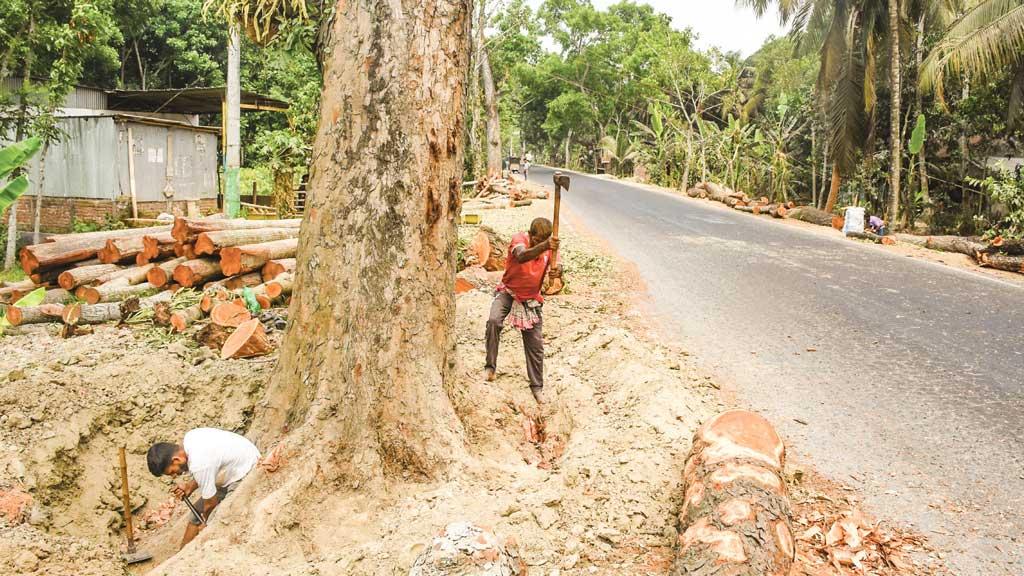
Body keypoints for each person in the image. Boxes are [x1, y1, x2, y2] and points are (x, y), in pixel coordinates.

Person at [484, 217, 559, 404]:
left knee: (535, 344)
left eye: (543, 241)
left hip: (530, 299)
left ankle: (537, 387)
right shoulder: (519, 240)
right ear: (530, 234)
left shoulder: (551, 250)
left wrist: (558, 273)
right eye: (536, 240)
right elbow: (522, 256)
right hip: (509, 292)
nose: (539, 244)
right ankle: (490, 367)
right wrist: (544, 246)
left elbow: (558, 276)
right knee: (494, 321)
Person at [147, 428, 261, 548]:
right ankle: (181, 556)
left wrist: (205, 521)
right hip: (234, 465)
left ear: (176, 460)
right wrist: (189, 487)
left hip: (248, 468)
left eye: (172, 472)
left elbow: (211, 503)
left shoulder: (199, 463)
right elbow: (208, 466)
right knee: (195, 515)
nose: (175, 475)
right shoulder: (190, 438)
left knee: (218, 519)